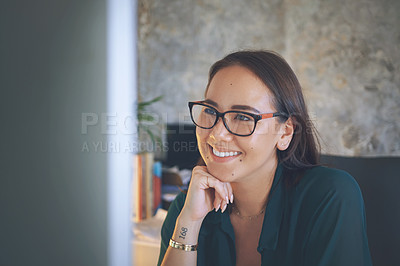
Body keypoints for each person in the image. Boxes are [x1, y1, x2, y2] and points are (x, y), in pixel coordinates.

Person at [157, 50, 372, 266]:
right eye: (211, 111)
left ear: (286, 132)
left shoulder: (330, 195)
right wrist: (189, 224)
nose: (217, 134)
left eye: (243, 116)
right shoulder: (188, 207)